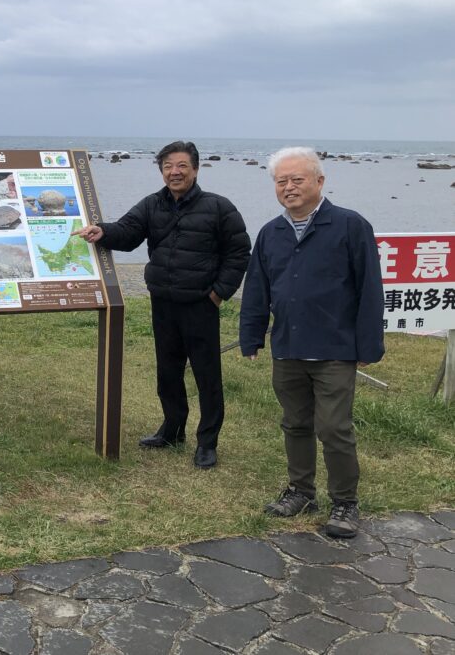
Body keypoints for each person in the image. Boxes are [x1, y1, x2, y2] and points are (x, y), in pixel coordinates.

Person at [240, 146, 384, 539]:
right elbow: (257, 288)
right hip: (288, 346)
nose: (288, 187)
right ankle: (301, 491)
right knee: (295, 423)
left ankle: (345, 502)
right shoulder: (271, 233)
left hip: (335, 348)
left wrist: (369, 345)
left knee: (334, 427)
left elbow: (370, 288)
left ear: (319, 181)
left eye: (296, 179)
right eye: (280, 181)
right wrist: (251, 335)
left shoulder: (350, 225)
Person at [77, 140, 250, 468]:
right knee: (168, 372)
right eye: (168, 166)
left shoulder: (219, 207)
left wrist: (219, 293)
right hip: (163, 303)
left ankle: (207, 442)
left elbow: (239, 252)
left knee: (207, 376)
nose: (175, 172)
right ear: (161, 171)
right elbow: (128, 232)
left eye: (182, 165)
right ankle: (172, 430)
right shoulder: (152, 204)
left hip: (200, 304)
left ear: (195, 169)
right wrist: (102, 231)